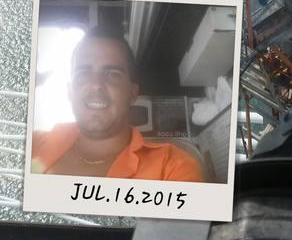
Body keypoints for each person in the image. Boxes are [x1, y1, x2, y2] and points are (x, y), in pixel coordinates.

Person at [31, 27, 204, 182]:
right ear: (70, 91)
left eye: (112, 74)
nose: (96, 85)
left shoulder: (173, 168)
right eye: (83, 73)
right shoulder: (33, 144)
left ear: (133, 94)